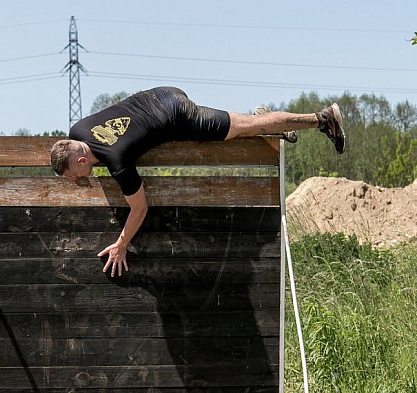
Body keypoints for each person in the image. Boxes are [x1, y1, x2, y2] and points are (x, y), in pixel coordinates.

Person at [50, 86, 346, 277]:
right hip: (160, 94)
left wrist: (122, 244)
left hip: (181, 115)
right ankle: (270, 124)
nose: (78, 180)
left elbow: (139, 209)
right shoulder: (78, 129)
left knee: (246, 127)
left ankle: (322, 119)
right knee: (247, 127)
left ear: (79, 160)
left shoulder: (118, 162)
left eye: (77, 175)